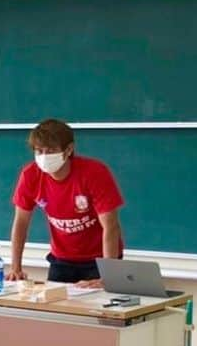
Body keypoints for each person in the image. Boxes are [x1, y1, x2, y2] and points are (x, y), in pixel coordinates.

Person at [8, 118, 124, 285]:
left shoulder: (95, 172)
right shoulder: (30, 175)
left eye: (51, 151)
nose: (44, 157)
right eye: (39, 151)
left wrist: (108, 276)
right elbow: (21, 222)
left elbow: (110, 226)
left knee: (99, 307)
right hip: (61, 259)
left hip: (101, 259)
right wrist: (15, 268)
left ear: (69, 149)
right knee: (53, 305)